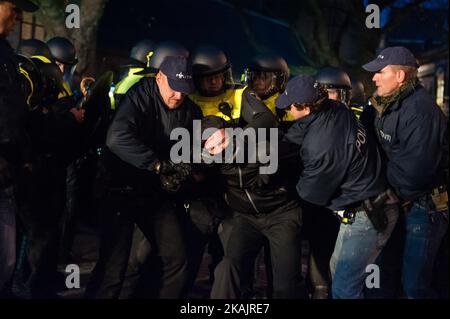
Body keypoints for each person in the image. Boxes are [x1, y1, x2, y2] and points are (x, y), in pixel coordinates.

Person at [85, 56, 203, 299]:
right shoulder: (139, 95)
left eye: (185, 91)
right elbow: (117, 138)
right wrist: (158, 165)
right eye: (174, 89)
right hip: (120, 189)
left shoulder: (191, 110)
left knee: (177, 258)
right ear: (159, 78)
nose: (178, 96)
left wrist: (187, 170)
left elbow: (191, 150)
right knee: (113, 269)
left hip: (154, 195)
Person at [276, 75, 400, 299]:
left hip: (368, 215)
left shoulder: (322, 148)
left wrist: (282, 185)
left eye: (290, 106)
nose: (287, 111)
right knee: (337, 271)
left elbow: (310, 194)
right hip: (366, 204)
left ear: (304, 107)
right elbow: (301, 129)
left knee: (345, 289)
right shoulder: (335, 107)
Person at [361, 46, 449, 298]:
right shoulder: (386, 104)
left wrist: (382, 188)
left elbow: (416, 171)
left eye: (380, 72)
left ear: (400, 77)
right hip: (400, 200)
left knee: (415, 285)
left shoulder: (421, 111)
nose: (374, 77)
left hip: (423, 207)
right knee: (390, 276)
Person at [201, 116, 304, 299]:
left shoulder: (255, 142)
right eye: (212, 147)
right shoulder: (210, 165)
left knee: (285, 283)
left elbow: (296, 151)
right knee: (228, 266)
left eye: (223, 141)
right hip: (246, 218)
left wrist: (273, 166)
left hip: (281, 214)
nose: (220, 149)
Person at [0, 0, 38, 293]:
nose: (17, 16)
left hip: (7, 169)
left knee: (7, 260)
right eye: (13, 7)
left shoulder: (5, 52)